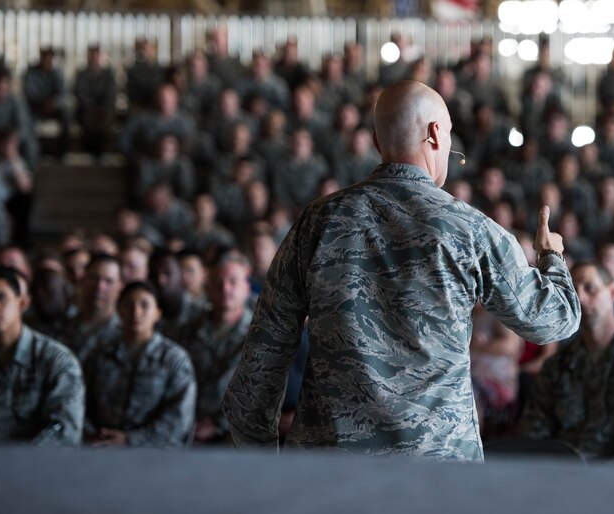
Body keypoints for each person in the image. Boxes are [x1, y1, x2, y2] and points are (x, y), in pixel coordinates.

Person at [223, 80, 580, 460]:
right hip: (436, 466)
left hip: (328, 466)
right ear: (435, 134)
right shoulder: (471, 230)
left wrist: (262, 458)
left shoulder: (318, 222)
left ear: (377, 143)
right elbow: (554, 321)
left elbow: (265, 352)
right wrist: (551, 257)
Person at [518, 262, 614, 463]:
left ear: (612, 292)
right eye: (573, 291)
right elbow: (534, 430)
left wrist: (606, 478)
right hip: (563, 478)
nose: (580, 298)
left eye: (590, 288)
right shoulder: (557, 366)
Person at [83, 281, 196, 447]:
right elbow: (83, 402)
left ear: (157, 312)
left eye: (145, 305)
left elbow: (179, 418)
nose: (136, 312)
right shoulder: (100, 355)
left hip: (156, 453)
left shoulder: (174, 359)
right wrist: (97, 435)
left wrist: (129, 440)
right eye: (129, 305)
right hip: (102, 448)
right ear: (119, 310)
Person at [0, 266, 84, 445]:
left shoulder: (55, 360)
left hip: (32, 467)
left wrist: (17, 463)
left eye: (1, 297)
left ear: (23, 303)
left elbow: (64, 430)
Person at [183, 250, 252, 444]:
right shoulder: (188, 331)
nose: (225, 288)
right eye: (218, 282)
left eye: (233, 281)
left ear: (246, 288)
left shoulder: (263, 336)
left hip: (238, 431)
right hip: (189, 426)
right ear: (207, 288)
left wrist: (219, 424)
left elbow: (266, 396)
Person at [63, 254, 123, 362]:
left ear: (120, 287)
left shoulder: (125, 335)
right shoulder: (62, 328)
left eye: (109, 281)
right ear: (83, 280)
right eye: (94, 278)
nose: (100, 286)